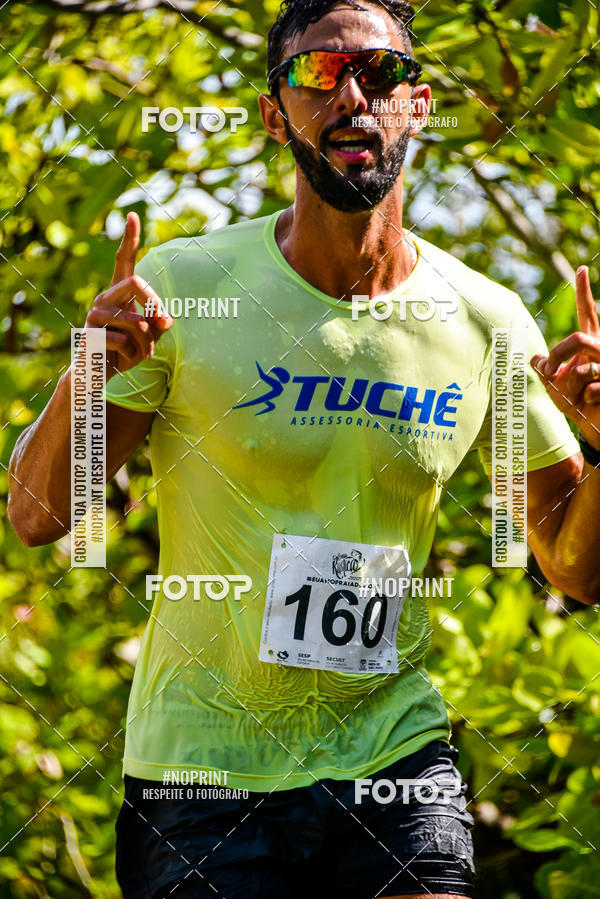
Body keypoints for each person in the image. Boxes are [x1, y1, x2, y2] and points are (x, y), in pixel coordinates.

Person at [8, 1, 600, 896]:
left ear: (419, 105)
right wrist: (87, 369)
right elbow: (36, 516)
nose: (352, 94)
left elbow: (572, 563)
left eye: (381, 74)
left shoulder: (486, 317)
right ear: (274, 114)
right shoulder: (181, 286)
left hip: (396, 752)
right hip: (203, 770)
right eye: (318, 74)